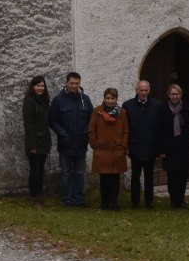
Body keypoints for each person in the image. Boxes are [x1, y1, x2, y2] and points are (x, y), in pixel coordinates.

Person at [48, 72, 94, 207]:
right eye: (72, 83)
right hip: (65, 144)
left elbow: (91, 120)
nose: (74, 86)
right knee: (66, 174)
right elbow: (53, 121)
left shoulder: (85, 99)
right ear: (66, 83)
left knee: (79, 173)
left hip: (81, 143)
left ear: (80, 83)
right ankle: (67, 199)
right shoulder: (58, 100)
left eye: (77, 83)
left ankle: (79, 199)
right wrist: (63, 134)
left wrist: (85, 133)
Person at [123, 80, 163, 208]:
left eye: (146, 90)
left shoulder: (157, 105)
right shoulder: (128, 106)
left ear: (149, 91)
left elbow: (159, 128)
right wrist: (127, 146)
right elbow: (126, 128)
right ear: (136, 91)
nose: (143, 93)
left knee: (149, 176)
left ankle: (149, 200)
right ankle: (134, 201)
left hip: (151, 146)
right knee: (135, 176)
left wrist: (159, 148)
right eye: (141, 90)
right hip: (135, 147)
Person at [88, 88, 129, 211]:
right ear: (104, 98)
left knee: (115, 178)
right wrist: (95, 144)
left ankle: (114, 203)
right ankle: (105, 203)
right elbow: (91, 129)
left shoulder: (122, 112)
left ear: (116, 99)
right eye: (108, 98)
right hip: (102, 149)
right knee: (104, 178)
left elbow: (126, 130)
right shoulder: (97, 111)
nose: (110, 101)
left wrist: (123, 145)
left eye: (113, 98)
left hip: (117, 149)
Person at [157, 83, 189, 209]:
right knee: (172, 176)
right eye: (172, 94)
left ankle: (181, 201)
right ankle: (173, 201)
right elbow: (159, 130)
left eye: (177, 94)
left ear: (180, 95)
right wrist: (161, 149)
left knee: (183, 176)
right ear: (168, 95)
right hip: (169, 148)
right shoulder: (162, 109)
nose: (174, 96)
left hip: (183, 147)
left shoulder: (187, 108)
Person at [21, 74, 51, 204]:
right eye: (38, 85)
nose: (41, 88)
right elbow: (28, 124)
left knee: (40, 170)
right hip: (34, 143)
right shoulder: (29, 101)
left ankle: (38, 194)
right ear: (33, 86)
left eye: (42, 86)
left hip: (43, 141)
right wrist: (32, 145)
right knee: (35, 170)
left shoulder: (43, 100)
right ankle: (34, 196)